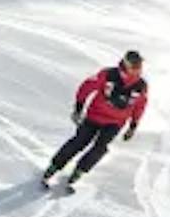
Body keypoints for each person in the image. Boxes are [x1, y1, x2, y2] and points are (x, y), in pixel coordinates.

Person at [41, 49, 149, 193]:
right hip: (94, 116)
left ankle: (78, 172)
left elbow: (140, 105)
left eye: (139, 66)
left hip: (114, 123)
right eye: (135, 66)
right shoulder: (108, 74)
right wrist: (79, 107)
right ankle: (54, 167)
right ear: (126, 64)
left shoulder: (141, 85)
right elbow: (87, 87)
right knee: (79, 141)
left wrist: (133, 126)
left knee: (100, 147)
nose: (138, 69)